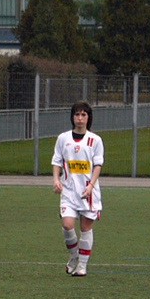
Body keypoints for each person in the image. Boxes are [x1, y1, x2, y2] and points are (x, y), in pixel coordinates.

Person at [51, 101, 104, 277]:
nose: (80, 118)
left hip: (88, 193)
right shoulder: (63, 138)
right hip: (68, 191)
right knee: (67, 225)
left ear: (88, 118)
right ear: (72, 117)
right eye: (77, 115)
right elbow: (57, 161)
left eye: (83, 115)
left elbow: (97, 165)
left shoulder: (95, 140)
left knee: (85, 228)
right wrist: (56, 180)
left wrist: (91, 186)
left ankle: (82, 265)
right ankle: (74, 256)